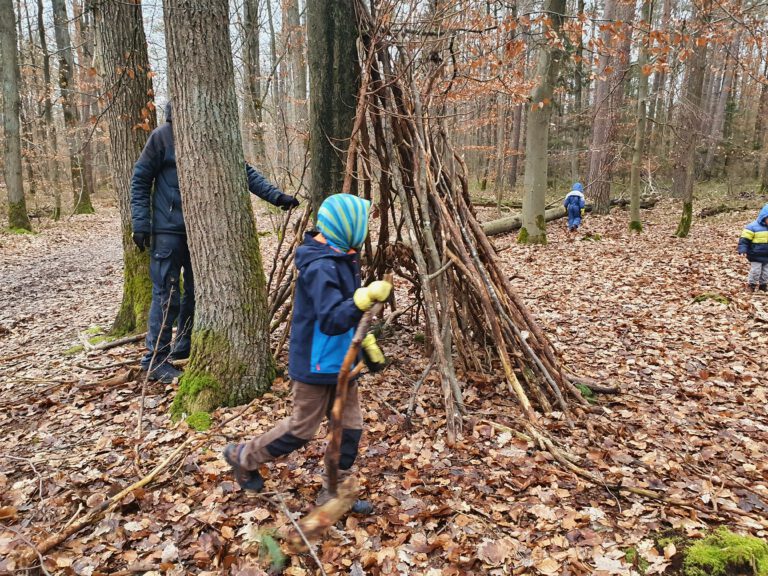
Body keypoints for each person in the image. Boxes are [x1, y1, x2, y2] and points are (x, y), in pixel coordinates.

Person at [223, 193, 390, 515]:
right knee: (301, 429)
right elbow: (330, 318)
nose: (366, 230)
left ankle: (334, 492)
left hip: (343, 364)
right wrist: (364, 298)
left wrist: (365, 343)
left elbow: (346, 311)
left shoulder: (344, 256)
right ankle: (243, 457)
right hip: (315, 365)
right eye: (363, 223)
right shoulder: (320, 265)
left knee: (350, 429)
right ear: (346, 227)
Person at [130, 102, 299, 383]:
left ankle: (183, 346)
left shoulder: (211, 137)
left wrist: (277, 197)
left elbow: (242, 171)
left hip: (202, 233)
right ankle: (154, 360)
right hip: (167, 232)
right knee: (166, 295)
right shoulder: (162, 137)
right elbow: (140, 179)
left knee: (197, 293)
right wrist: (141, 223)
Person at [738, 203, 768, 292]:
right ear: (764, 217)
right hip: (755, 254)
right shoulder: (752, 227)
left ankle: (763, 285)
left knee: (766, 272)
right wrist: (743, 249)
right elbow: (744, 240)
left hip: (767, 256)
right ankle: (752, 285)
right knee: (756, 271)